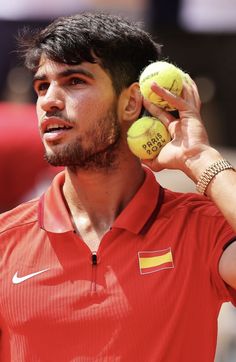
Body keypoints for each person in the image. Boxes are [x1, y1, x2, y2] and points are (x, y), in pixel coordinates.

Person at [0, 11, 235, 362]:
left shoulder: (202, 229)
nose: (49, 100)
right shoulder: (5, 240)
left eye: (75, 81)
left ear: (130, 102)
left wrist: (199, 158)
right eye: (42, 86)